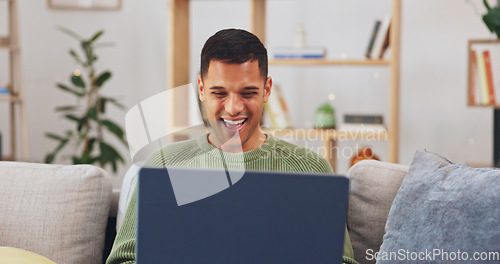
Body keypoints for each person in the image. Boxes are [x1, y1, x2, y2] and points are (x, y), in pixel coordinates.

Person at [106, 28, 358, 264]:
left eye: (248, 93)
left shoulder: (310, 169)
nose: (233, 108)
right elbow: (123, 259)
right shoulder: (164, 165)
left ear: (266, 90)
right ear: (202, 89)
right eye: (219, 93)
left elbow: (342, 261)